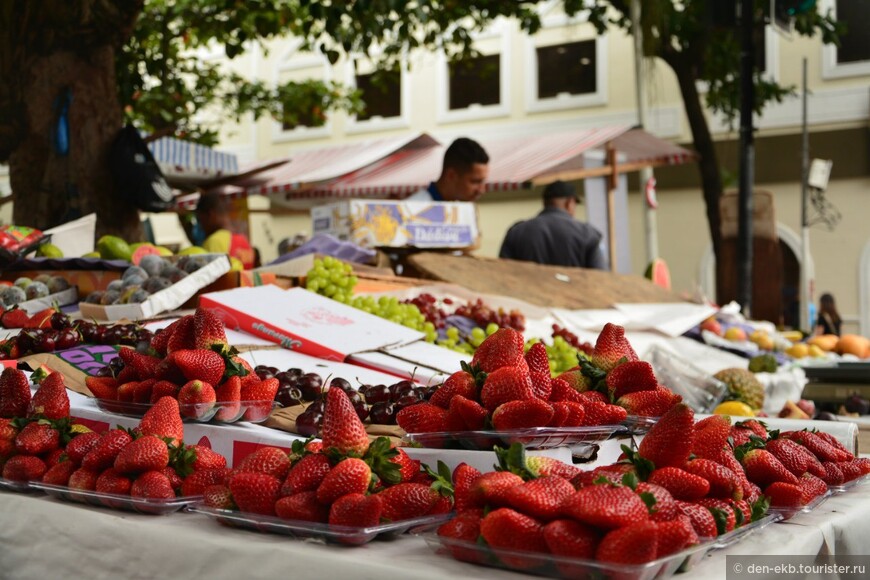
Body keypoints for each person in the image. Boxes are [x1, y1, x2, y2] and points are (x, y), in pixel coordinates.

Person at [499, 180, 606, 269]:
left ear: (544, 202)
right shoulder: (587, 234)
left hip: (525, 294)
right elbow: (601, 278)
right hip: (574, 294)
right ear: (569, 203)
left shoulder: (517, 232)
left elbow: (502, 272)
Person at [405, 137, 490, 202]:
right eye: (475, 181)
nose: (481, 190)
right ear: (451, 175)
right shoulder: (413, 209)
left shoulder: (461, 211)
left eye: (483, 182)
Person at [195, 191, 256, 269]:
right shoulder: (243, 240)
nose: (201, 227)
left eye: (200, 220)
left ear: (210, 215)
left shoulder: (214, 242)